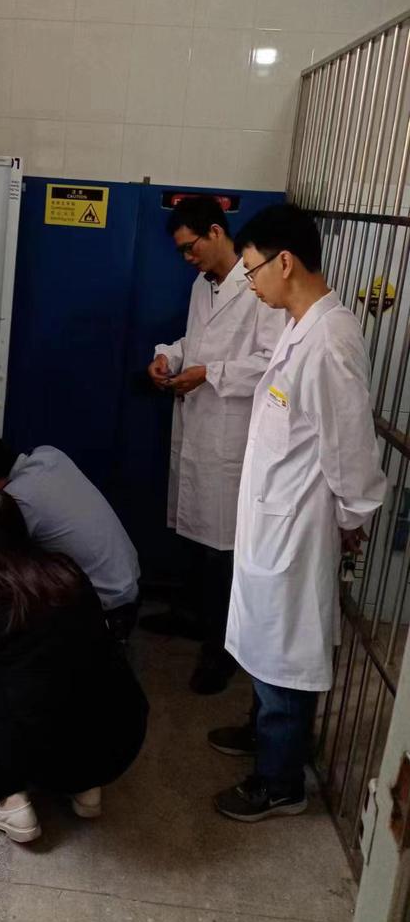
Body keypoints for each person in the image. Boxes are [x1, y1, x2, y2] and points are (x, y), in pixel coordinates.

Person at [212, 203, 386, 822]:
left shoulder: (331, 341)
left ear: (284, 262)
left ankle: (281, 781)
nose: (250, 283)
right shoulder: (299, 324)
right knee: (268, 644)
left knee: (284, 650)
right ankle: (266, 734)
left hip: (298, 530)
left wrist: (352, 520)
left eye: (252, 270)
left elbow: (350, 450)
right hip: (275, 520)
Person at [0, 489, 148, 842]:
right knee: (75, 665)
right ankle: (87, 790)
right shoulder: (64, 568)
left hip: (48, 760)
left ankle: (12, 802)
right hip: (124, 736)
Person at [146, 196, 285, 694]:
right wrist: (168, 357)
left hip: (230, 433)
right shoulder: (201, 285)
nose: (188, 258)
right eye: (182, 252)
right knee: (193, 536)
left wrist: (211, 375)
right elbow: (194, 343)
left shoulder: (258, 287)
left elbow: (272, 361)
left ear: (215, 232)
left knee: (222, 550)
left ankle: (222, 650)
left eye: (191, 247)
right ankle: (190, 615)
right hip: (197, 424)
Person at [0, 432, 142, 641]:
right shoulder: (50, 455)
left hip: (107, 609)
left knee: (3, 585)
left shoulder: (17, 500)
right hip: (128, 585)